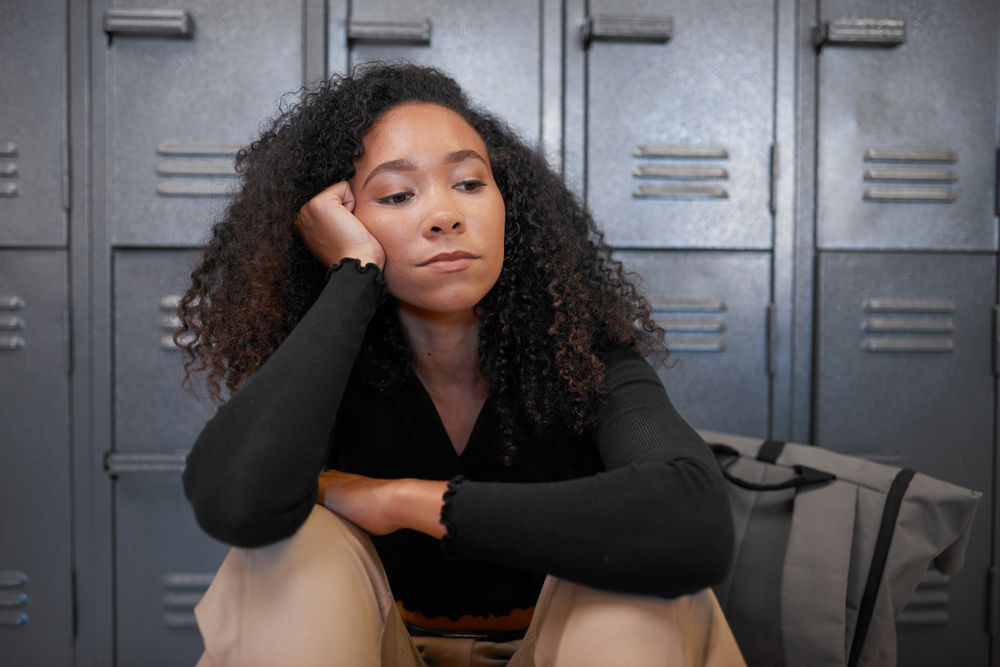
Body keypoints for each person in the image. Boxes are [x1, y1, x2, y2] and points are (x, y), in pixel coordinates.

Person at [175, 61, 746, 667]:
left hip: (561, 649)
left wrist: (400, 501)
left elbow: (694, 521)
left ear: (509, 207)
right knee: (291, 545)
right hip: (380, 650)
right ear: (338, 224)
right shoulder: (329, 366)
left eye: (469, 184)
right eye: (397, 195)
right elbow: (236, 503)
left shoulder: (581, 359)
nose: (445, 215)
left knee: (640, 568)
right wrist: (353, 275)